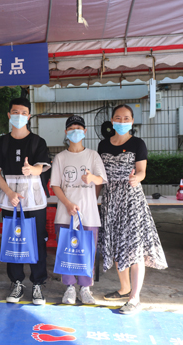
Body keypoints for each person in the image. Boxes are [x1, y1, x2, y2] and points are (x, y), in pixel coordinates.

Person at [98, 104, 167, 314]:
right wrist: (93, 199)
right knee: (117, 245)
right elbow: (100, 176)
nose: (122, 121)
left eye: (126, 118)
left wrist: (137, 178)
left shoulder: (138, 143)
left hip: (131, 201)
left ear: (132, 121)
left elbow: (142, 171)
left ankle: (135, 298)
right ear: (112, 121)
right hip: (110, 201)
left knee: (134, 248)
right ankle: (124, 288)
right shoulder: (103, 145)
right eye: (118, 118)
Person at [0, 97, 51, 305]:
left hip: (34, 200)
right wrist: (9, 193)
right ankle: (16, 282)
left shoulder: (37, 142)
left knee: (37, 241)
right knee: (13, 239)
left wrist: (31, 169)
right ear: (9, 115)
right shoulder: (2, 143)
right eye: (15, 112)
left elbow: (41, 168)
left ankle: (38, 283)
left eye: (23, 113)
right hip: (11, 200)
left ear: (29, 116)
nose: (19, 116)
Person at [50, 115, 107, 305]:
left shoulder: (93, 155)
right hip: (65, 214)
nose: (76, 131)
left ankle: (85, 288)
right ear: (66, 132)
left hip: (88, 215)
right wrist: (67, 204)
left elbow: (101, 180)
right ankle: (69, 287)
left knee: (87, 252)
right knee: (66, 251)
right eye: (72, 128)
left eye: (79, 128)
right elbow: (55, 185)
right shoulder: (60, 157)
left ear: (85, 131)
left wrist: (92, 179)